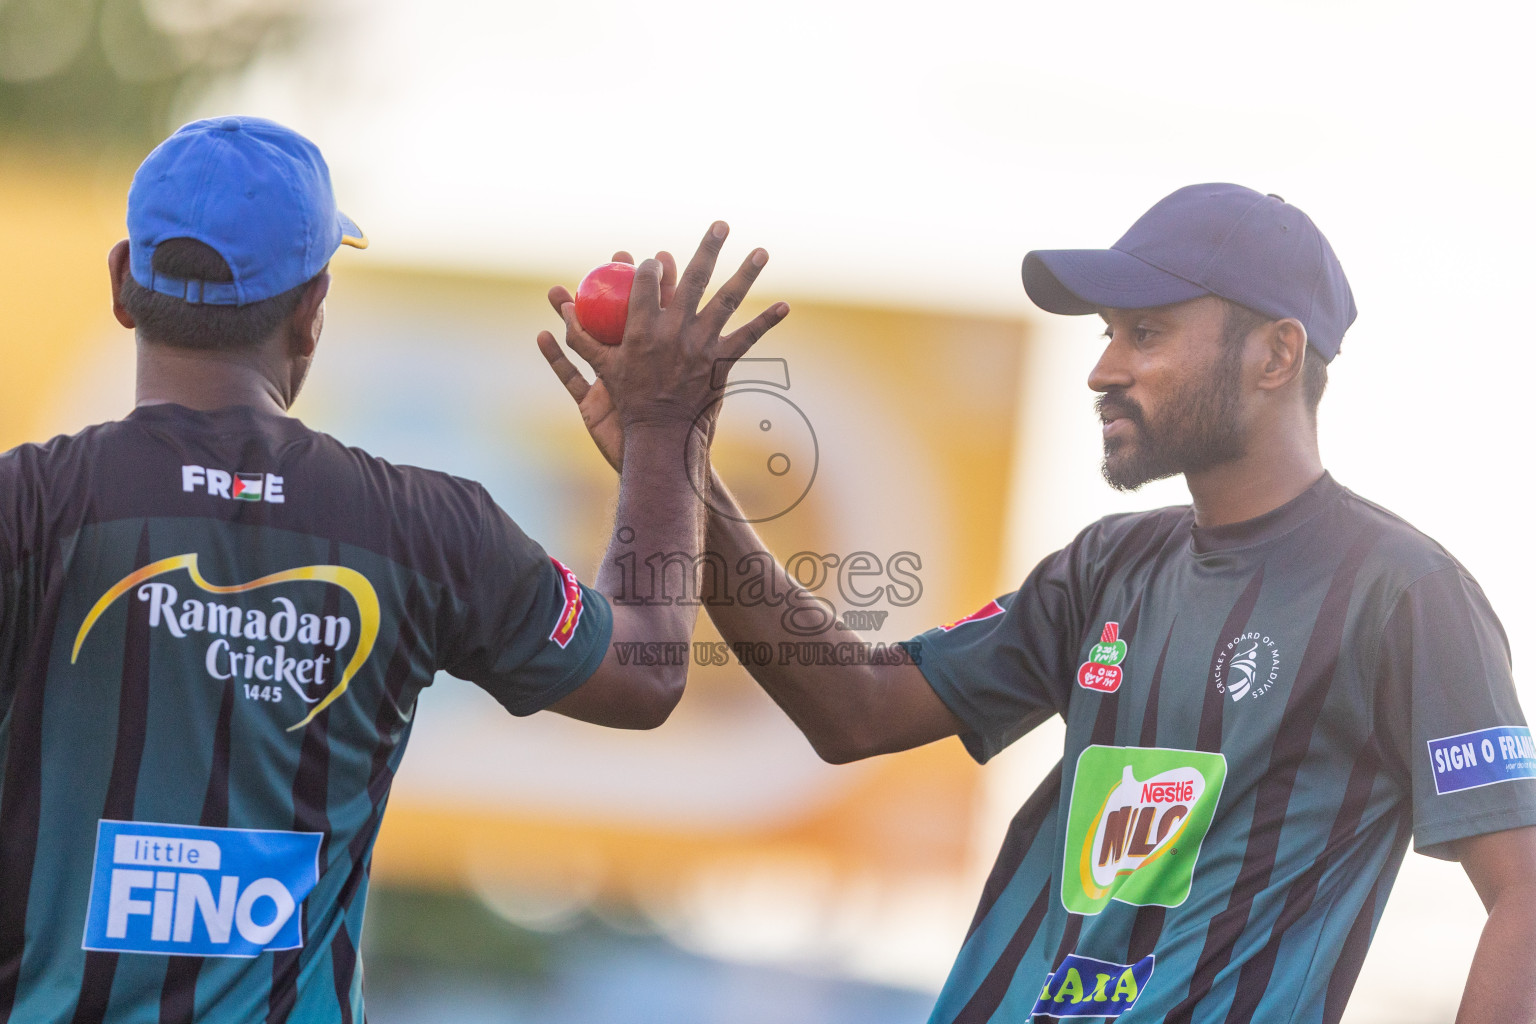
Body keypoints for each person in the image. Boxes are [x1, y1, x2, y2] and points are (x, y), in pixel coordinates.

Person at [540, 184, 1536, 1022]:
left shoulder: (1405, 591)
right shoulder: (1106, 565)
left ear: (1276, 357)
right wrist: (681, 471)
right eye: (1107, 334)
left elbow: (1523, 888)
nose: (1104, 369)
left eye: (1146, 333)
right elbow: (856, 710)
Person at [0, 115, 788, 1024]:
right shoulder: (425, 529)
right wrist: (662, 431)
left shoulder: (29, 507)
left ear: (122, 284)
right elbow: (645, 671)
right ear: (310, 310)